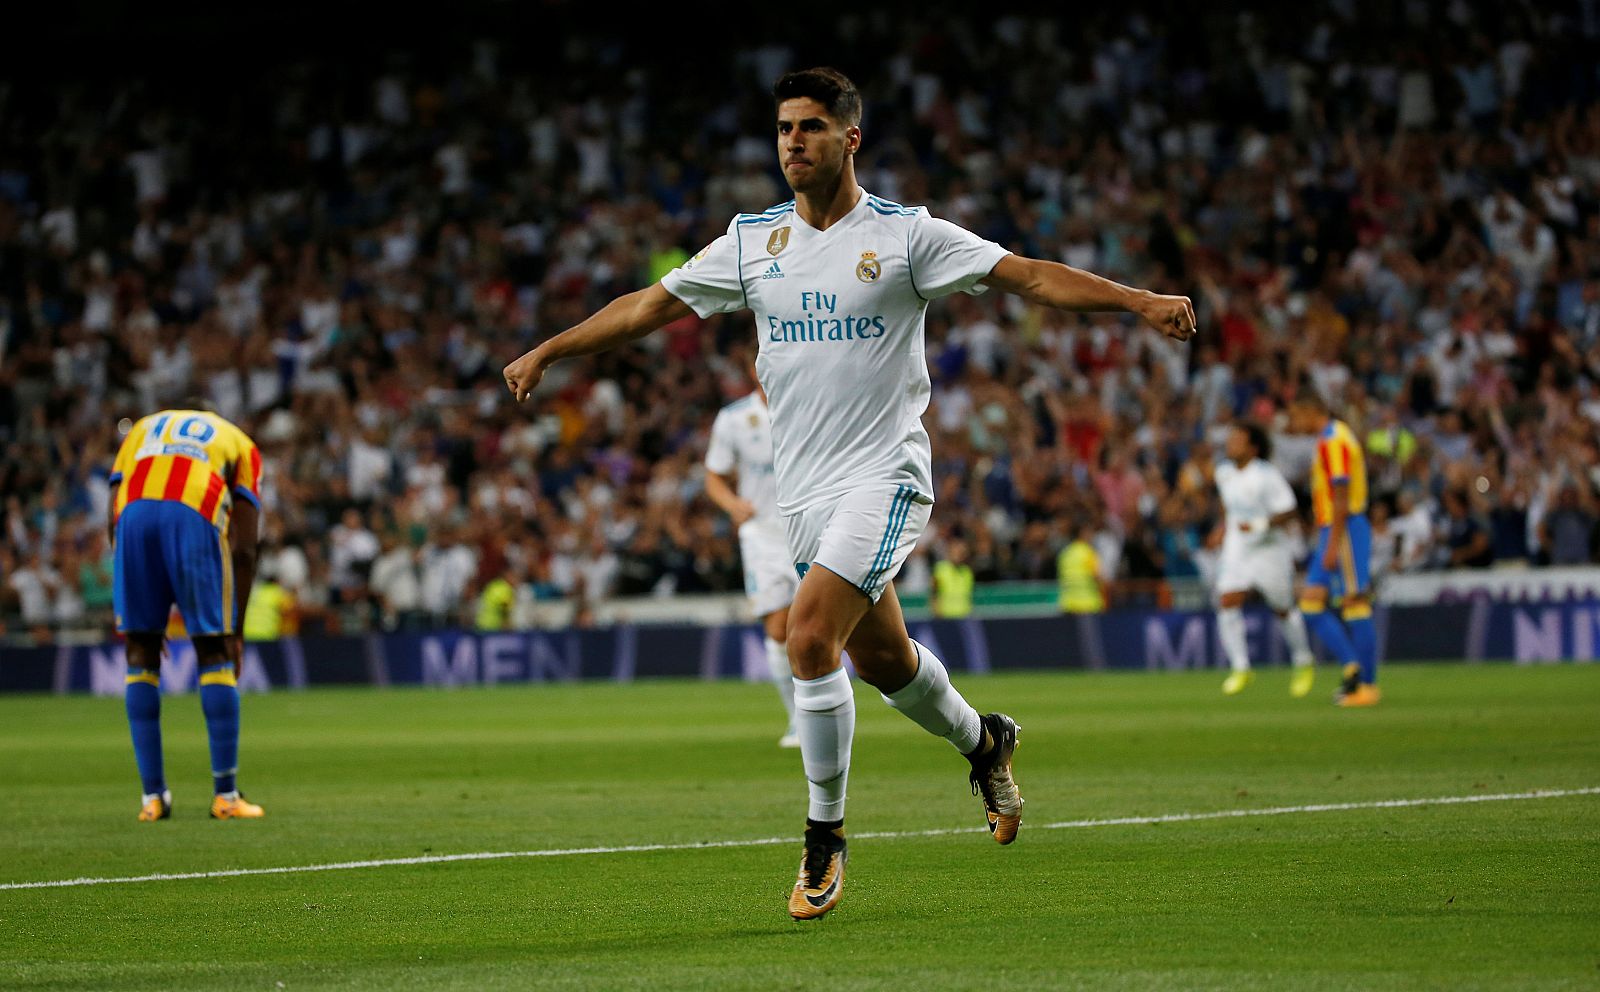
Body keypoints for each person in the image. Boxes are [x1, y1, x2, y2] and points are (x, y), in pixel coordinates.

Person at [502, 67, 1196, 919]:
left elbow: (1031, 278)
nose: (793, 142)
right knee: (884, 662)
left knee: (807, 641)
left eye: (811, 128)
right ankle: (986, 741)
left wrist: (1138, 301)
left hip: (885, 478)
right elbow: (650, 306)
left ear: (850, 138)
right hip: (805, 496)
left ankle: (823, 839)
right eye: (785, 128)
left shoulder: (908, 237)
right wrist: (550, 350)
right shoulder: (754, 244)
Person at [109, 405, 264, 821]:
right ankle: (226, 797)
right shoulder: (238, 441)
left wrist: (137, 598)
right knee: (214, 650)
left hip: (132, 519)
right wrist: (235, 628)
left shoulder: (141, 429)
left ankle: (152, 798)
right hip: (191, 513)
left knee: (140, 652)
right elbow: (245, 548)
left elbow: (115, 512)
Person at [703, 369, 802, 748]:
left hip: (810, 528)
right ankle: (797, 721)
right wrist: (732, 504)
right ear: (753, 367)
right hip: (763, 537)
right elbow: (714, 475)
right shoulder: (733, 419)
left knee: (814, 627)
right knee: (778, 629)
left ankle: (822, 712)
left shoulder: (807, 402)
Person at [1208, 423, 1317, 697]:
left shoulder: (1267, 476)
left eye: (1237, 440)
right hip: (1238, 548)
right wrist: (1223, 529)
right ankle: (1241, 667)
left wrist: (1259, 525)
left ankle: (1303, 661)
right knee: (1227, 600)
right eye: (1230, 439)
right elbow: (1229, 506)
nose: (1230, 444)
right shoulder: (1223, 473)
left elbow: (1289, 511)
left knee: (1282, 608)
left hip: (1269, 549)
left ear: (1253, 448)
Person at [1287, 390, 1379, 707]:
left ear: (1311, 411)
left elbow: (1341, 493)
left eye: (1296, 416)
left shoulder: (1334, 440)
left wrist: (1333, 541)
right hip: (1333, 529)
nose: (1293, 423)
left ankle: (1367, 686)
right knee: (1311, 605)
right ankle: (1353, 666)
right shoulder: (1329, 438)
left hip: (1346, 527)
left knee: (1354, 601)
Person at [1057, 520, 1108, 614]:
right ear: (1083, 533)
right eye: (1090, 532)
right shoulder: (1088, 553)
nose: (1092, 535)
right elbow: (1098, 577)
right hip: (1087, 605)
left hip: (1068, 605)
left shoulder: (1065, 553)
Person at [931, 536, 975, 618]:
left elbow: (969, 595)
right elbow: (934, 593)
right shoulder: (940, 568)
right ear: (950, 552)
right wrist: (937, 612)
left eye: (961, 552)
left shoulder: (967, 572)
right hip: (945, 617)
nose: (958, 555)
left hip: (964, 616)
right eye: (955, 551)